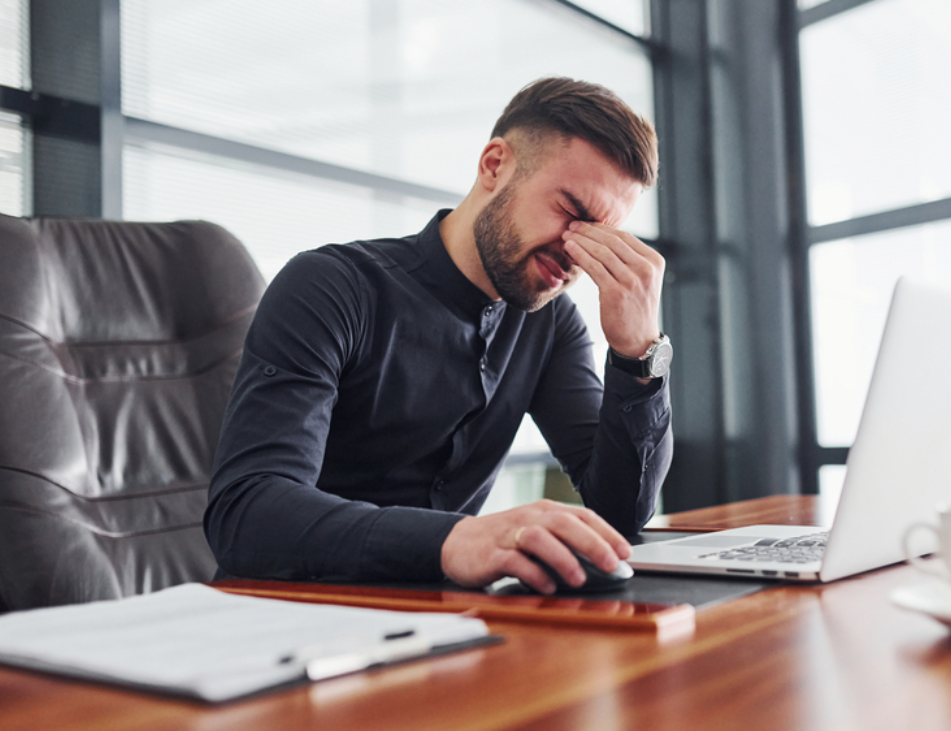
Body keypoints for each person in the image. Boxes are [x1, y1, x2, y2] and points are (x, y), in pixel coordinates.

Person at [204, 77, 673, 594]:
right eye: (570, 212)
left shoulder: (550, 322)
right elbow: (246, 513)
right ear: (494, 165)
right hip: (289, 612)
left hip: (446, 619)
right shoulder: (332, 287)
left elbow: (619, 514)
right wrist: (453, 541)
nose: (575, 252)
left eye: (602, 235)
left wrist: (639, 354)